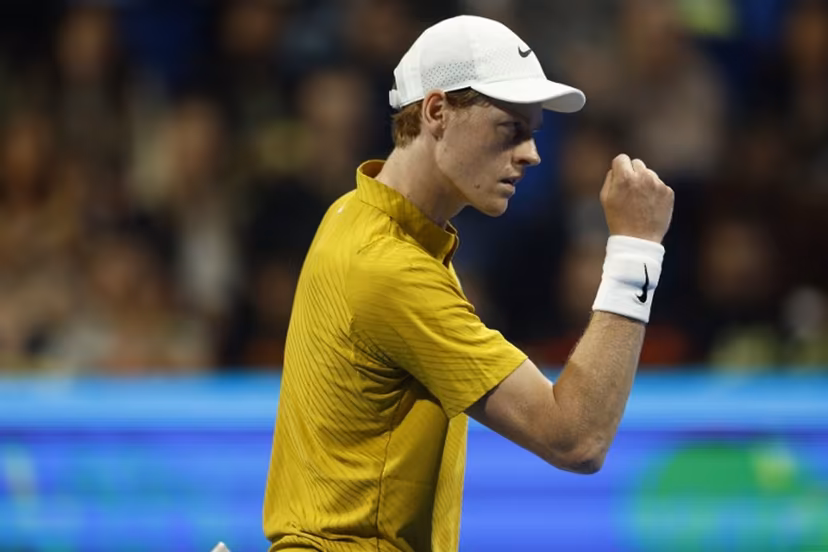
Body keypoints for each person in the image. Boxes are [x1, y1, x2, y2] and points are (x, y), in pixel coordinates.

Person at [262, 15, 674, 552]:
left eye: (532, 133)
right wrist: (636, 249)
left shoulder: (354, 214)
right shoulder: (389, 267)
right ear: (437, 112)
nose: (532, 154)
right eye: (511, 129)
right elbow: (577, 438)